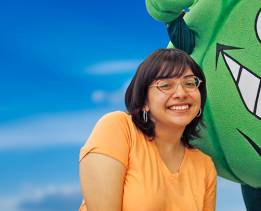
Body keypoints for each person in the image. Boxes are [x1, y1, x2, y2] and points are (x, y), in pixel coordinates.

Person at [78, 48, 217, 211]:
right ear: (144, 101)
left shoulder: (205, 166)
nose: (181, 93)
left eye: (189, 83)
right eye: (166, 85)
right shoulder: (118, 127)